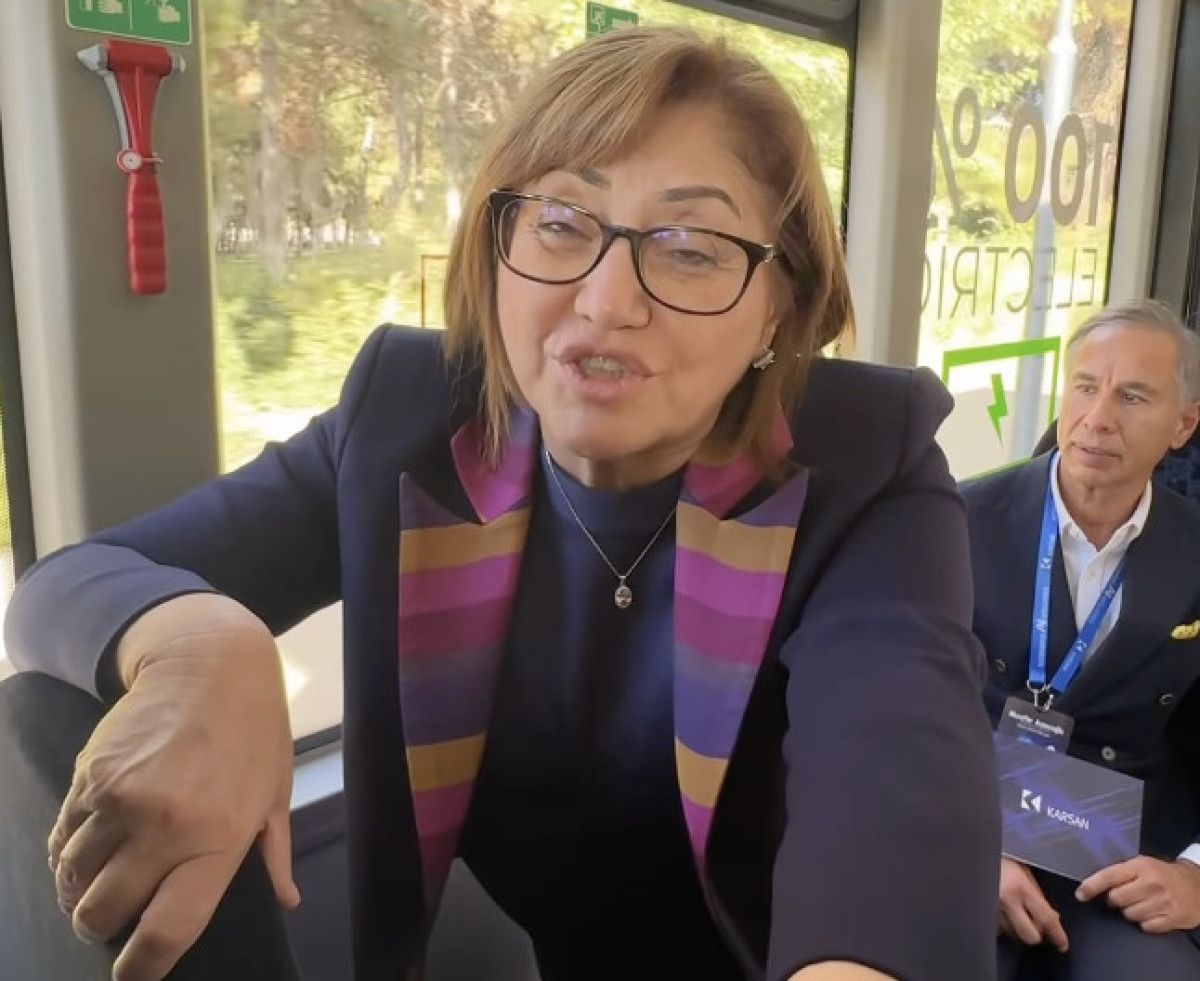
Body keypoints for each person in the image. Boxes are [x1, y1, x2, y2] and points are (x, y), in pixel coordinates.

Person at [6, 26, 999, 981]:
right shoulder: (406, 423)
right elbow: (67, 585)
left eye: (691, 247)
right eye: (561, 224)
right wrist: (202, 643)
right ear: (497, 247)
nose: (607, 301)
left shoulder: (865, 469)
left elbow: (895, 784)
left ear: (779, 305)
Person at [963, 301, 1200, 981]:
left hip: (1122, 859)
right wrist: (973, 849)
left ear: (1183, 424)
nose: (1098, 417)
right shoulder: (956, 518)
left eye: (1133, 396)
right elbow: (896, 712)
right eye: (1086, 386)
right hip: (968, 827)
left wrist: (1193, 874)